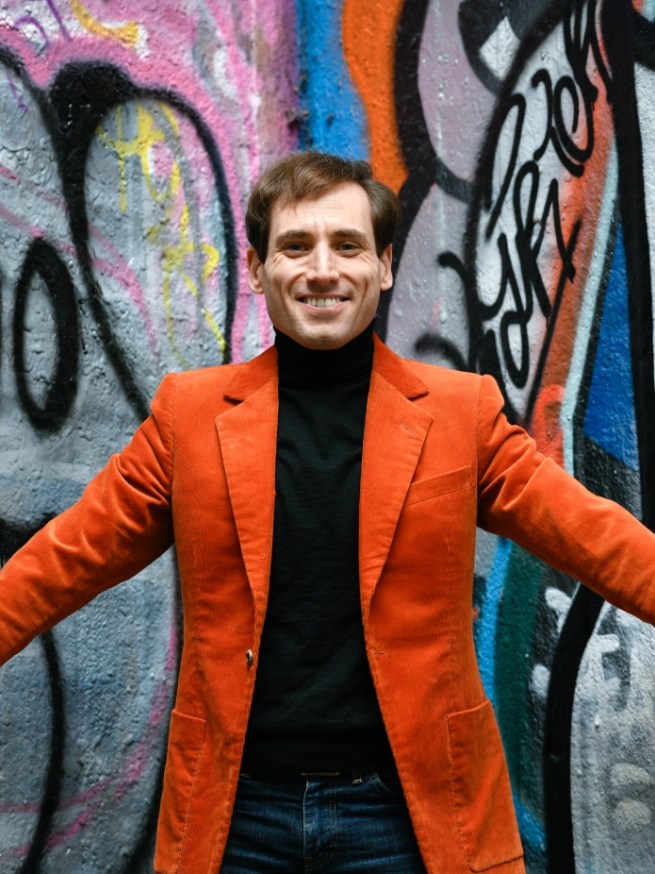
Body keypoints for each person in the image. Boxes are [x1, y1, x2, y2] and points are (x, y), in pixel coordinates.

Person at [1, 151, 655, 874]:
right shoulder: (190, 417)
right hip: (237, 817)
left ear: (383, 265)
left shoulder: (458, 415)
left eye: (346, 245)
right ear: (258, 270)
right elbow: (62, 562)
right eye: (295, 246)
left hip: (408, 816)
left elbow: (595, 538)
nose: (321, 270)